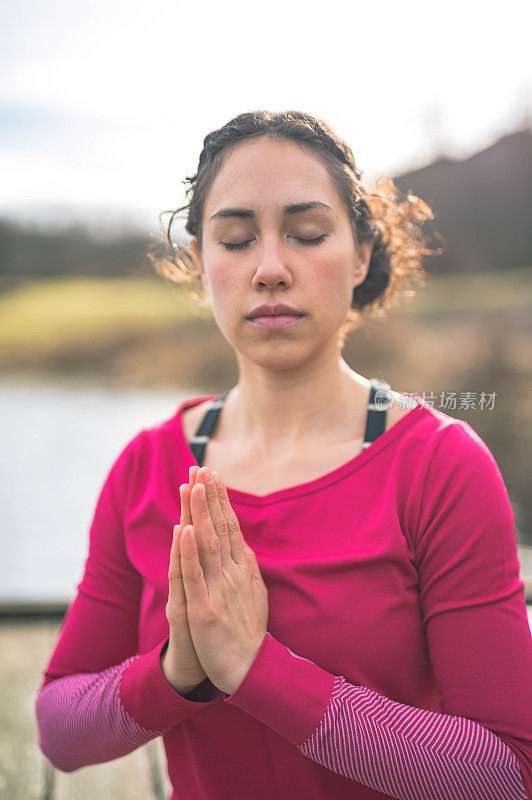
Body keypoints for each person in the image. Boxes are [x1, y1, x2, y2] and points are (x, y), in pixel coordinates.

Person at [35, 110, 532, 800]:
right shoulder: (146, 468)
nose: (270, 268)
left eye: (306, 234)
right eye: (235, 240)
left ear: (360, 256)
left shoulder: (441, 466)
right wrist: (180, 669)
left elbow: (504, 774)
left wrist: (258, 670)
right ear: (201, 263)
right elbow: (60, 730)